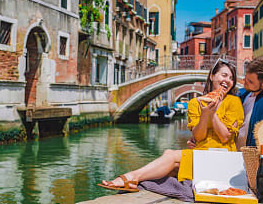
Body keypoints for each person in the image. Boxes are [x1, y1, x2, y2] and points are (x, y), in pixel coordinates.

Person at [98, 59, 244, 192]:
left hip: (223, 157)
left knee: (171, 156)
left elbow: (225, 137)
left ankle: (130, 177)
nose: (228, 80)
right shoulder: (195, 103)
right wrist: (205, 113)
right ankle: (134, 180)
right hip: (201, 154)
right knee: (167, 161)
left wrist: (213, 113)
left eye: (232, 78)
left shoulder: (234, 102)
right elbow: (198, 137)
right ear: (212, 76)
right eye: (224, 75)